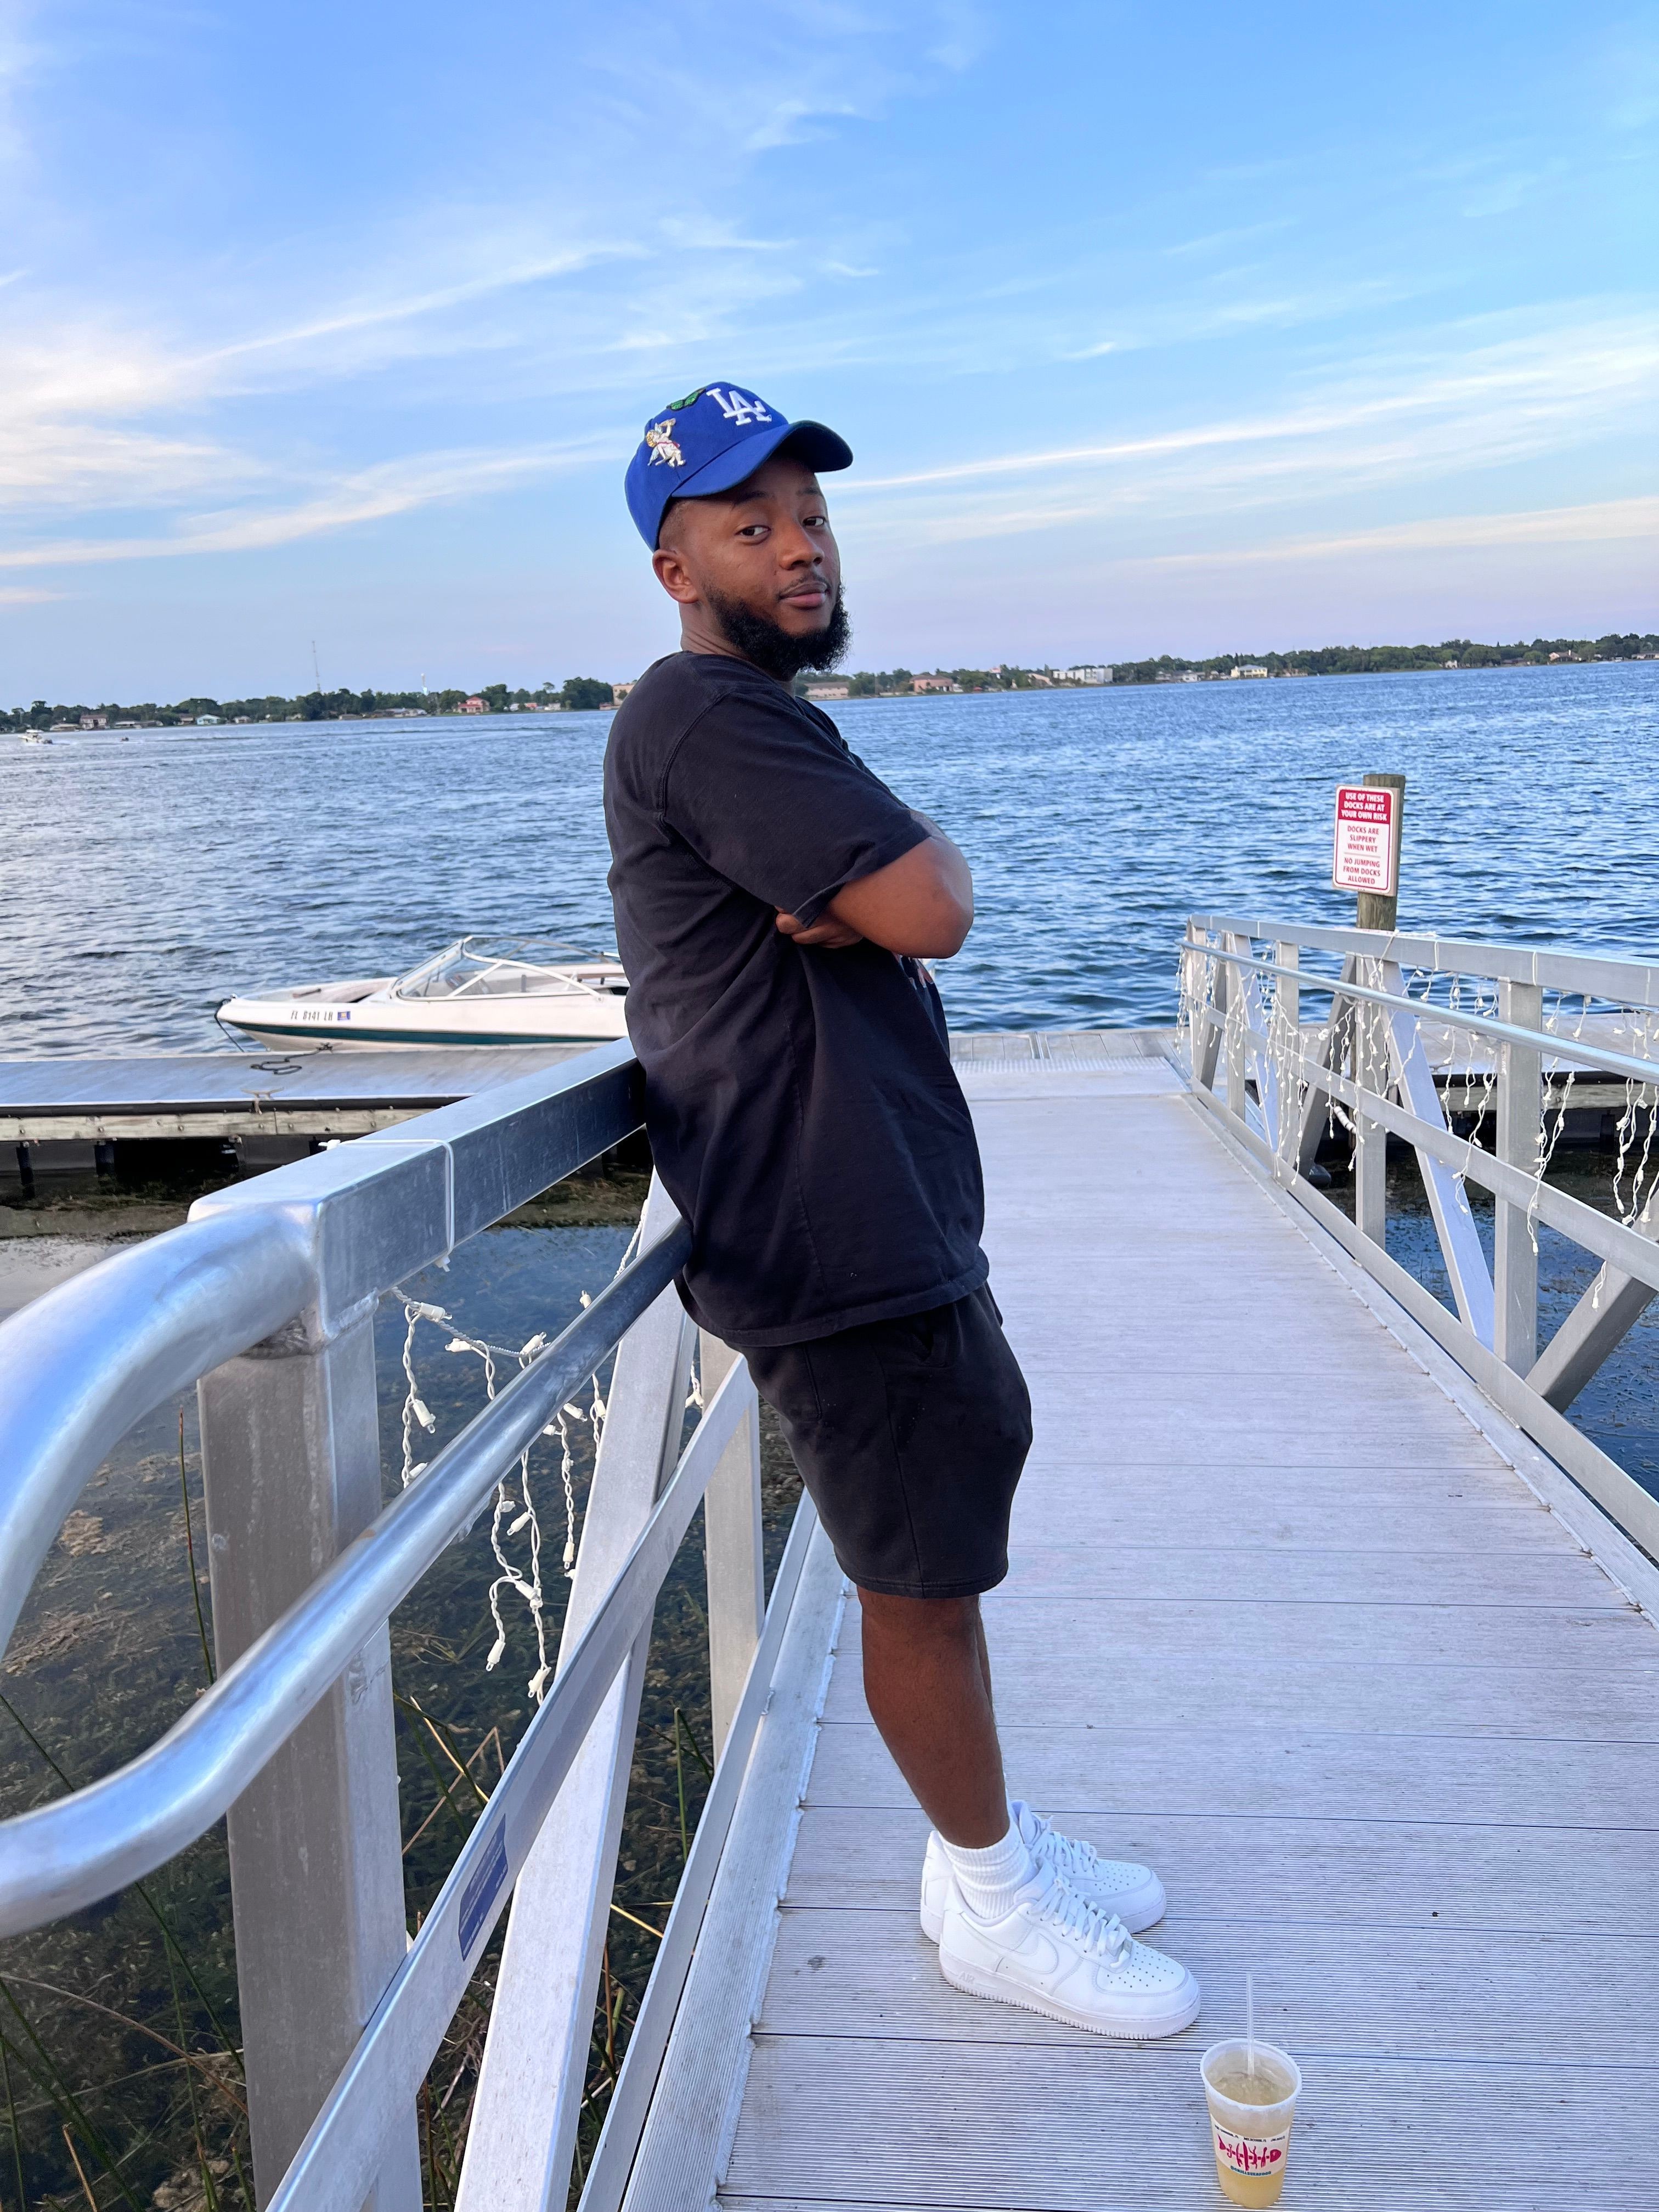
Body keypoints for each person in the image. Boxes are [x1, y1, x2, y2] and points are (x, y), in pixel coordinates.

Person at [603, 381, 1199, 2040]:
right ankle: (994, 1909)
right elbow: (935, 905)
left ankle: (978, 1851)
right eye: (752, 525)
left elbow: (913, 889)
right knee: (918, 1584)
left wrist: (894, 876)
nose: (800, 548)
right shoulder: (706, 716)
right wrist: (902, 879)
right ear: (676, 569)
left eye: (811, 517)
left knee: (946, 1532)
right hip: (828, 1230)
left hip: (871, 1214)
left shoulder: (759, 720)